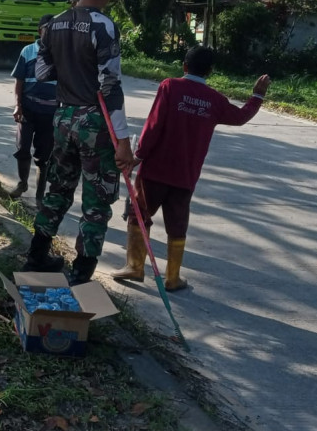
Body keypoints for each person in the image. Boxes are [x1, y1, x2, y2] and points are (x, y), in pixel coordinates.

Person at [113, 47, 271, 291]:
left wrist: (139, 155)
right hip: (185, 174)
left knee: (139, 214)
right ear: (210, 71)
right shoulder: (215, 100)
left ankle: (134, 267)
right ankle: (172, 278)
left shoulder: (169, 87)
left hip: (155, 170)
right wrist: (257, 96)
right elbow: (240, 117)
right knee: (177, 224)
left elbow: (154, 125)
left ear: (184, 66)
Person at [23, 0, 135, 285]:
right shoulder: (104, 25)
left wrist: (67, 61)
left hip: (63, 117)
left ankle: (36, 255)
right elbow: (110, 87)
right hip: (95, 123)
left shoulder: (53, 23)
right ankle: (80, 275)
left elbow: (42, 72)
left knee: (57, 188)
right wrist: (124, 141)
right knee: (96, 201)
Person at [8, 14, 57, 205]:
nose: (51, 33)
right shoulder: (28, 51)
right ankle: (22, 184)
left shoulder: (62, 54)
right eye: (48, 29)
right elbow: (19, 81)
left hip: (51, 113)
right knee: (22, 149)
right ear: (40, 30)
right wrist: (18, 105)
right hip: (27, 109)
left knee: (44, 157)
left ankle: (39, 197)